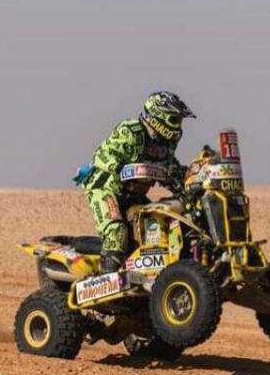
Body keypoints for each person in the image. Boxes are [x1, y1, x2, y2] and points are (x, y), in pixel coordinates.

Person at [79, 91, 196, 274]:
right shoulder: (131, 131)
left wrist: (193, 180)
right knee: (117, 231)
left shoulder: (166, 144)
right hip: (107, 188)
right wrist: (123, 168)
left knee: (158, 224)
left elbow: (171, 170)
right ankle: (108, 278)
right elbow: (102, 156)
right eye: (174, 120)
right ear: (158, 116)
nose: (178, 126)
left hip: (134, 195)